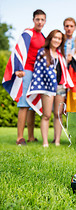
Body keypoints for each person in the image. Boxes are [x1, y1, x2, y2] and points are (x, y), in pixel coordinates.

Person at [2, 9, 46, 145]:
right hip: (26, 72)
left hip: (37, 74)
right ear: (33, 20)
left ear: (45, 21)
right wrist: (19, 69)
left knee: (32, 105)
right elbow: (19, 49)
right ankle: (19, 138)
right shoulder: (28, 33)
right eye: (37, 19)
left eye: (42, 19)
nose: (40, 22)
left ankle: (31, 137)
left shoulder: (43, 36)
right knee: (23, 104)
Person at [26, 30, 74, 147]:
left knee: (58, 115)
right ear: (50, 39)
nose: (57, 40)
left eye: (59, 39)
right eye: (55, 38)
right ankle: (45, 142)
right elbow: (39, 72)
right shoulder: (42, 52)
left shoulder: (60, 55)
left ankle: (57, 141)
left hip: (60, 87)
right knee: (46, 115)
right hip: (47, 87)